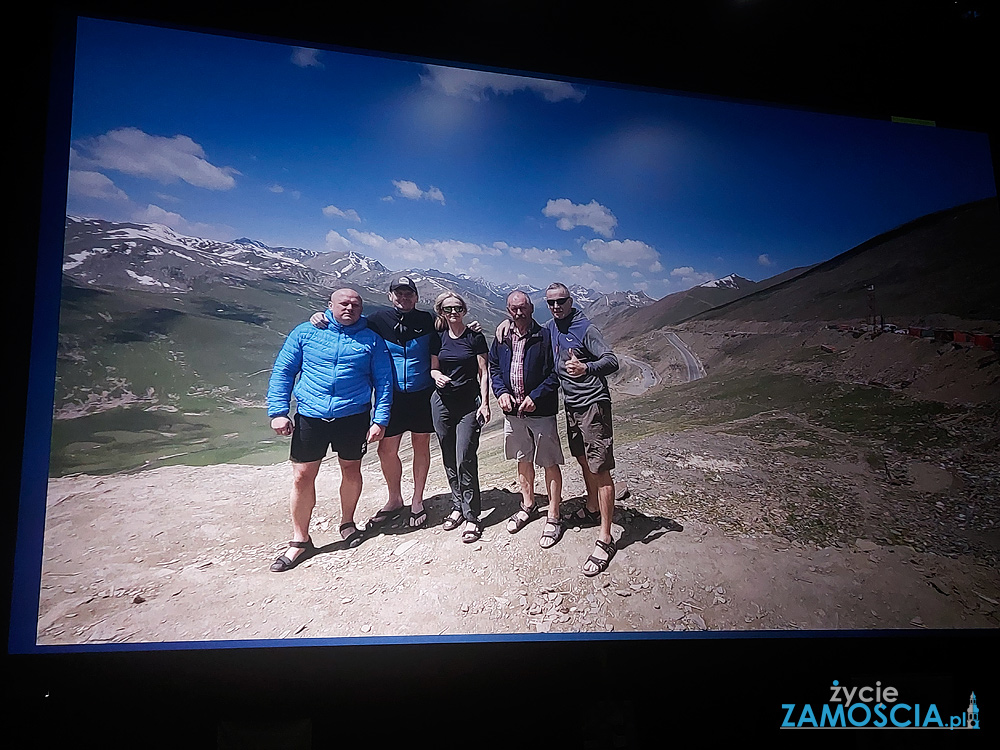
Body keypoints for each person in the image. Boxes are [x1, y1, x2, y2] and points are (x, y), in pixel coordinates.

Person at [266, 288, 393, 572]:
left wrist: (380, 420)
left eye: (356, 304)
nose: (350, 308)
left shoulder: (372, 339)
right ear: (330, 305)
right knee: (302, 476)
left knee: (351, 469)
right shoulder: (305, 332)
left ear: (362, 309)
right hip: (311, 415)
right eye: (343, 303)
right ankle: (300, 540)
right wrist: (278, 411)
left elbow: (384, 382)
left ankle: (347, 523)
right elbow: (284, 370)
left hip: (353, 416)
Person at [310, 275, 437, 529]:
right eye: (398, 293)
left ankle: (417, 500)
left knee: (421, 446)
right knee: (386, 451)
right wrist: (319, 316)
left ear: (416, 297)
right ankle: (394, 499)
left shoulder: (428, 320)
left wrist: (477, 328)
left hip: (423, 393)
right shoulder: (377, 320)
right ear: (390, 296)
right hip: (392, 396)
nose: (403, 298)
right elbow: (347, 322)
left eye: (408, 294)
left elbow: (456, 325)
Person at [544, 282, 621, 576]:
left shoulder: (585, 328)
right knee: (582, 458)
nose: (556, 306)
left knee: (600, 467)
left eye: (561, 301)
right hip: (572, 406)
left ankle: (606, 538)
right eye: (550, 302)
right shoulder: (552, 326)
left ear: (570, 300)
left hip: (592, 405)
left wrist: (586, 369)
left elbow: (611, 360)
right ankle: (591, 507)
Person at [488, 291, 565, 548]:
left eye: (522, 308)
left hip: (540, 411)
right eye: (513, 309)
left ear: (531, 308)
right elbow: (495, 367)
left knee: (549, 461)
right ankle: (528, 504)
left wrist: (537, 396)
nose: (518, 313)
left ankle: (554, 515)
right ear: (507, 310)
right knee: (523, 459)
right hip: (514, 413)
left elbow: (556, 373)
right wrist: (500, 393)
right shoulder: (502, 337)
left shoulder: (545, 336)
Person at [429, 291, 490, 543]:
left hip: (468, 405)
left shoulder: (475, 336)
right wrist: (436, 376)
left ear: (464, 310)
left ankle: (472, 515)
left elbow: (484, 372)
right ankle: (457, 506)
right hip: (441, 404)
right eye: (447, 309)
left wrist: (485, 403)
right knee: (448, 456)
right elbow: (433, 367)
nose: (453, 313)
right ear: (441, 312)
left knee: (465, 456)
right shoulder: (437, 338)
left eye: (457, 308)